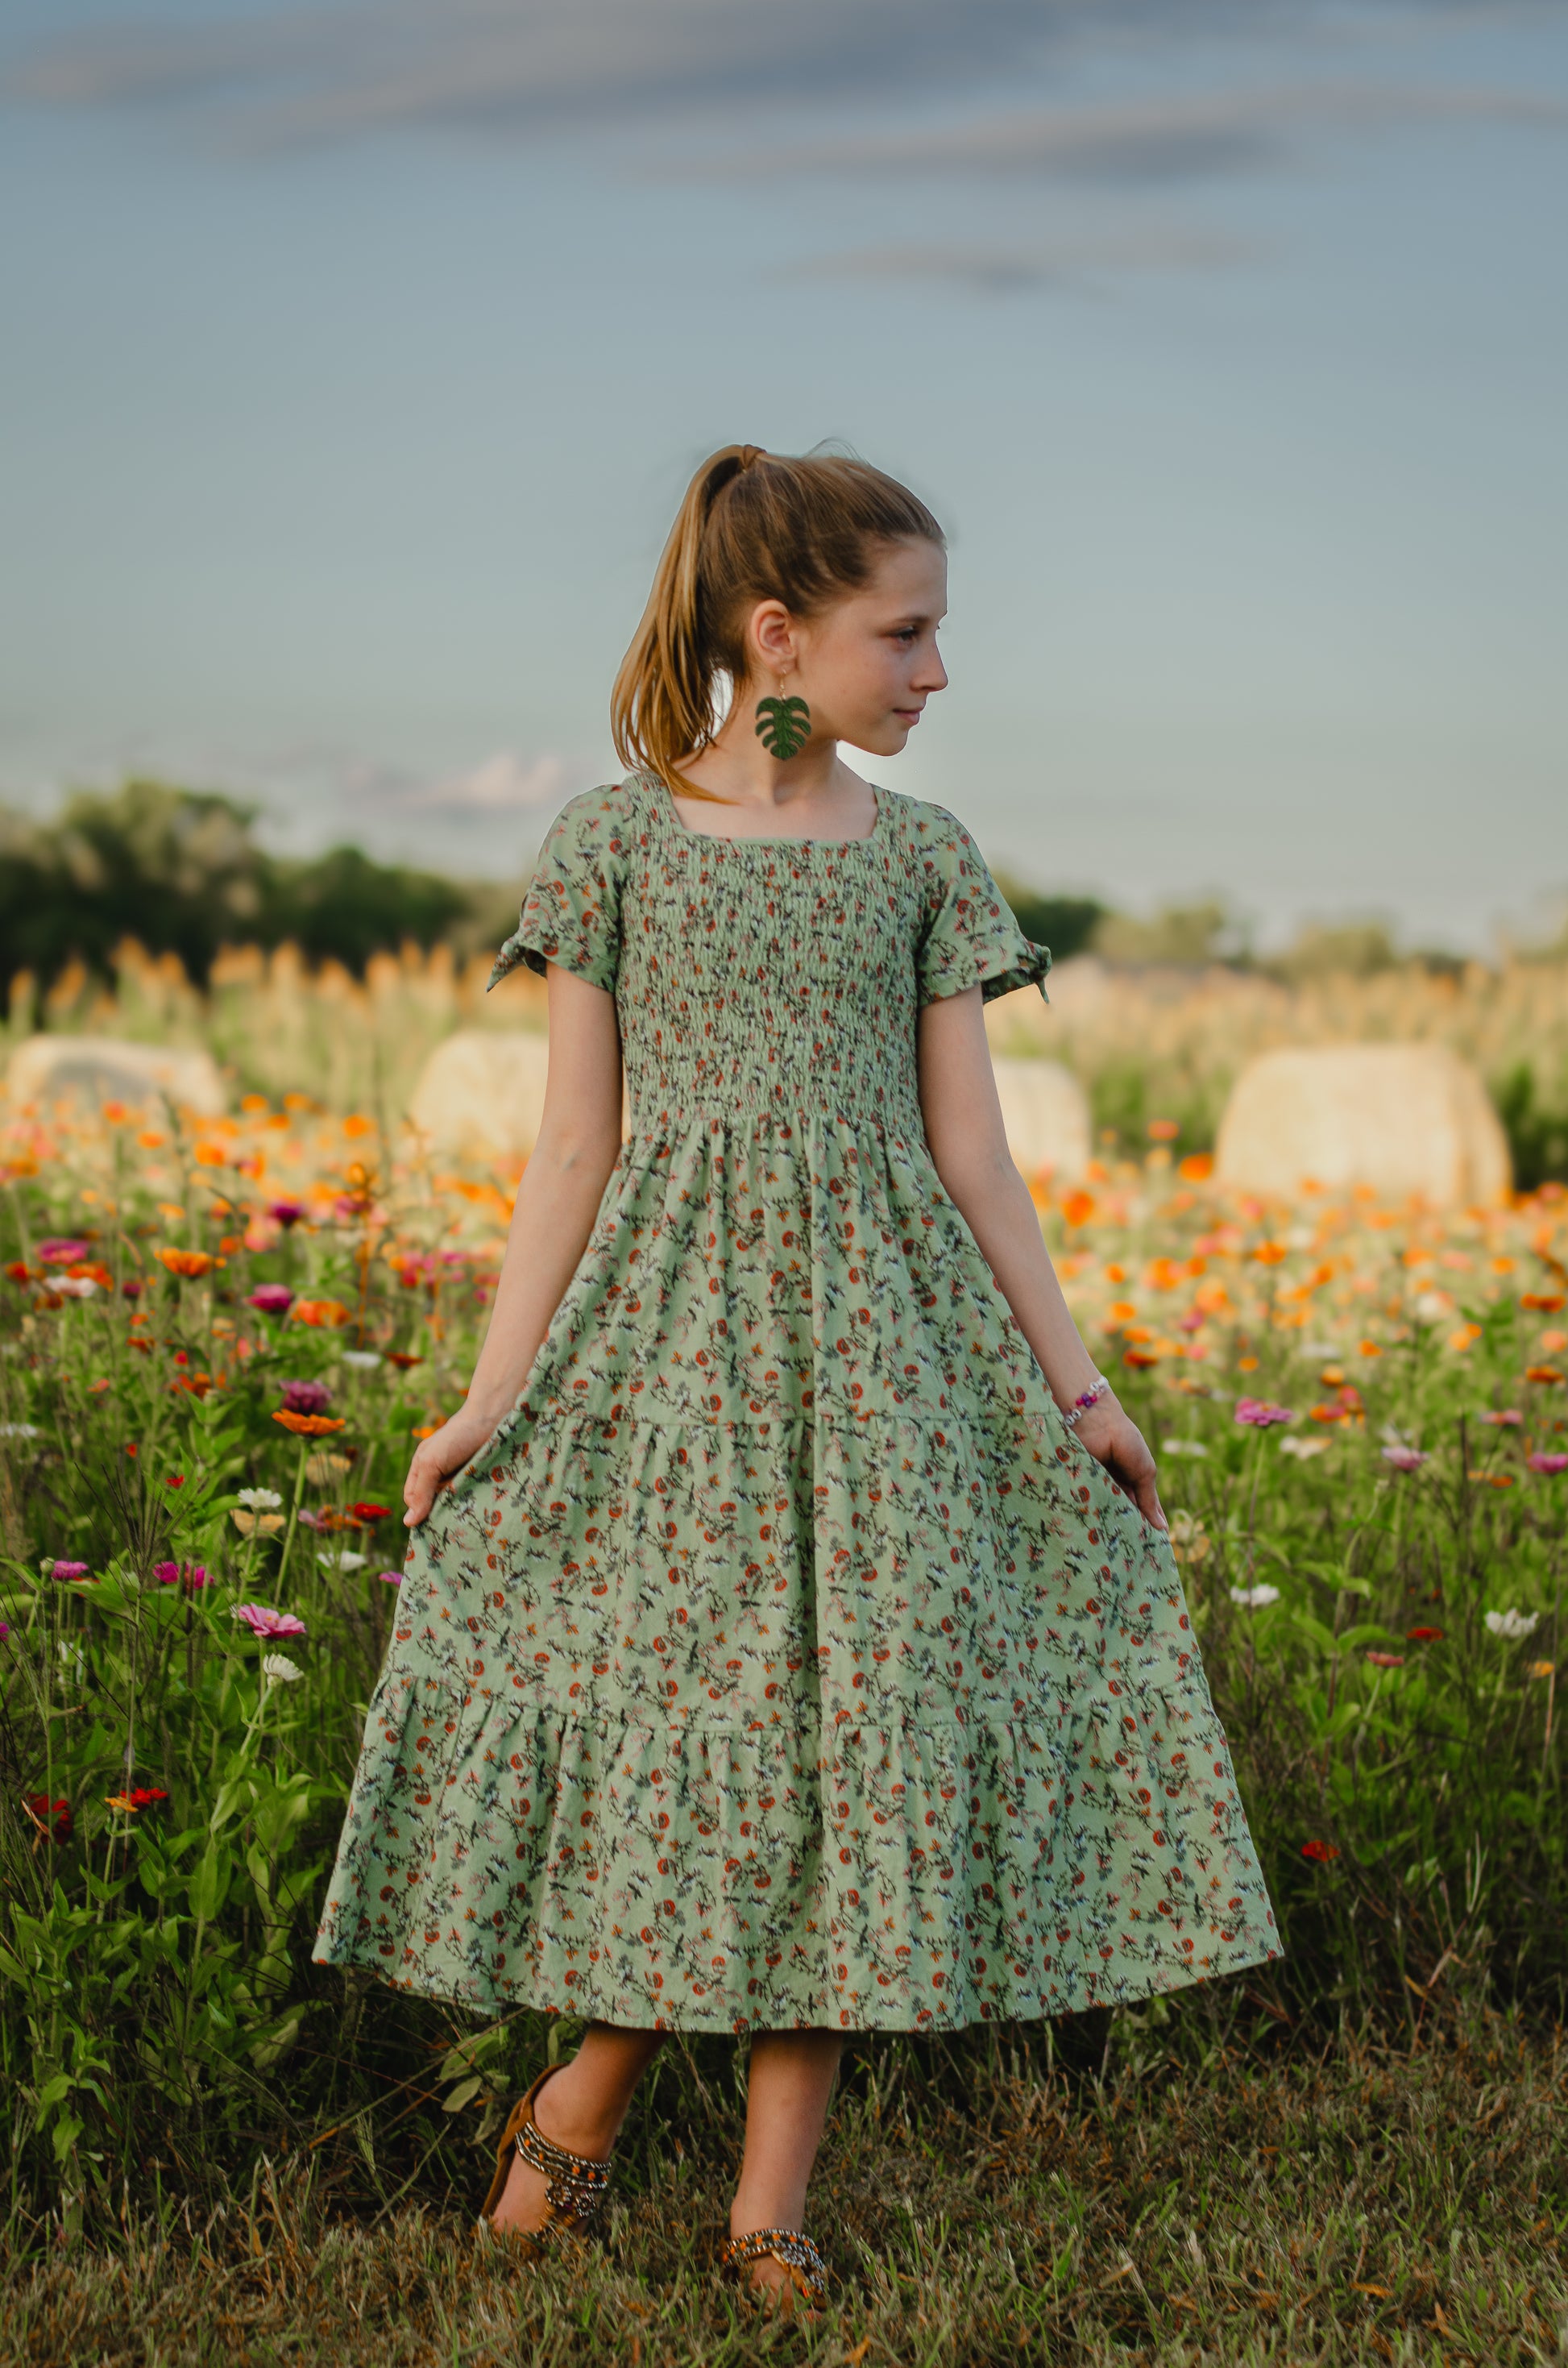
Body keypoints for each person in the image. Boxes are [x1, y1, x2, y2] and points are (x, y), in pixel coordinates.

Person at [313, 442, 1276, 2307]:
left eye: (936, 634)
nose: (934, 671)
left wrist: (1083, 1397)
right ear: (779, 634)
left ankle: (768, 2211)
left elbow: (976, 1156)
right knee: (699, 1759)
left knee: (849, 1760)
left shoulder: (919, 854)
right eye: (902, 632)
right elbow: (573, 1149)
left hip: (887, 1362)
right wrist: (489, 1400)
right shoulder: (609, 842)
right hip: (664, 1362)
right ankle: (575, 2108)